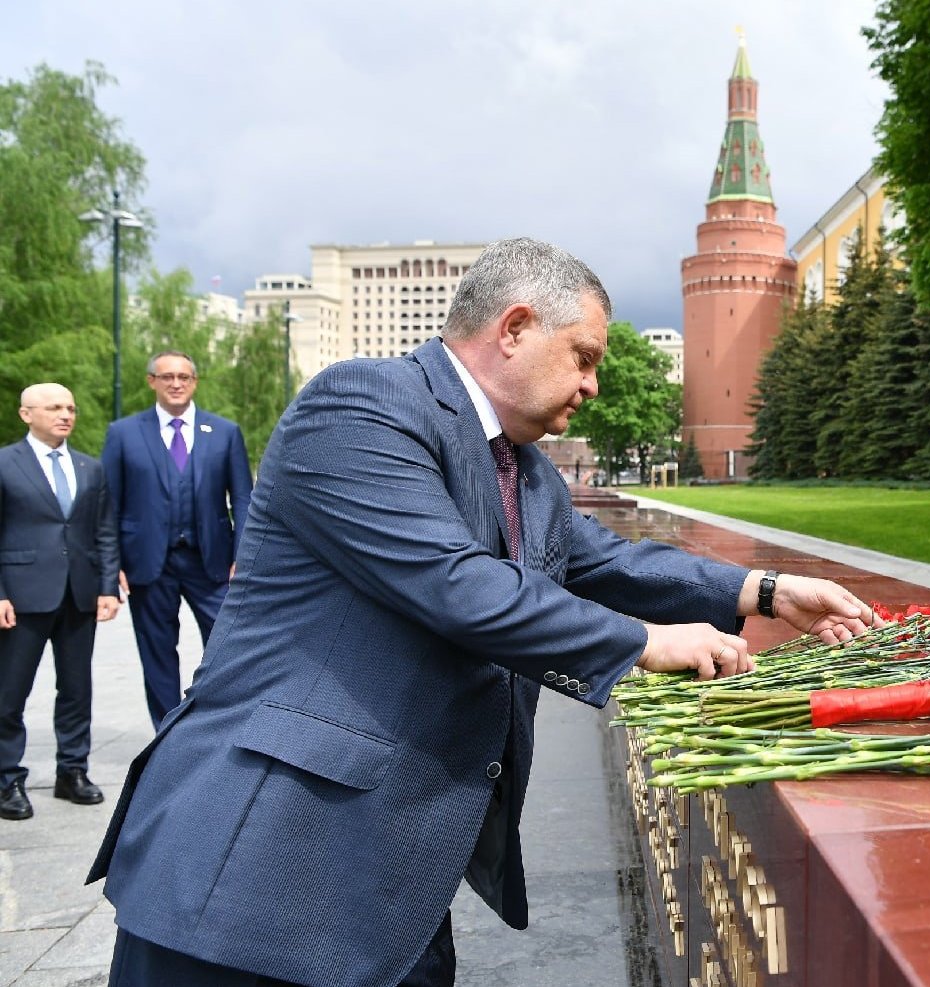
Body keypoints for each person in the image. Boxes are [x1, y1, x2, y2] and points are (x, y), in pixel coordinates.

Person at [90, 238, 877, 987]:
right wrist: (645, 642)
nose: (594, 383)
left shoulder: (527, 472)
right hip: (251, 873)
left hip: (387, 888)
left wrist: (767, 591)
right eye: (585, 356)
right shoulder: (362, 404)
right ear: (515, 328)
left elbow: (609, 561)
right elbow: (455, 582)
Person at [100, 351, 253, 728]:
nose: (176, 383)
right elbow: (108, 505)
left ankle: (219, 726)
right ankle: (165, 735)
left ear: (195, 382)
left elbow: (245, 499)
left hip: (212, 562)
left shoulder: (224, 432)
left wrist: (244, 556)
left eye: (184, 377)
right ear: (151, 381)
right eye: (167, 376)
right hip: (148, 563)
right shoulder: (123, 434)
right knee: (157, 656)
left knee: (228, 647)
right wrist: (111, 566)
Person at [0, 383, 121, 821]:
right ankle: (7, 778)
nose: (65, 414)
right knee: (10, 692)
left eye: (70, 407)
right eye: (54, 407)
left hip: (79, 594)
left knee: (76, 690)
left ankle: (73, 771)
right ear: (25, 414)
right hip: (22, 595)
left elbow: (104, 531)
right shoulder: (5, 464)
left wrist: (108, 587)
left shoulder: (90, 468)